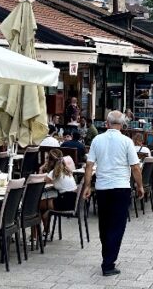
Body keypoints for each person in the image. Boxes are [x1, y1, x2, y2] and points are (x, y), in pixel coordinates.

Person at [82, 110, 142, 276]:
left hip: (102, 188)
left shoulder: (97, 140)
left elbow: (89, 165)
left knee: (105, 224)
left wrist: (87, 186)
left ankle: (106, 257)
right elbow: (135, 167)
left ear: (106, 124)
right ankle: (108, 263)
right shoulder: (127, 141)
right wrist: (140, 186)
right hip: (121, 187)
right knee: (117, 225)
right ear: (122, 125)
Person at [40, 148, 78, 238]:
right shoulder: (67, 170)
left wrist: (41, 168)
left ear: (51, 160)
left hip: (65, 202)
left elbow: (41, 182)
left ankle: (38, 234)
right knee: (46, 203)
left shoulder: (53, 173)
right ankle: (46, 230)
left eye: (47, 159)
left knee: (39, 205)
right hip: (73, 201)